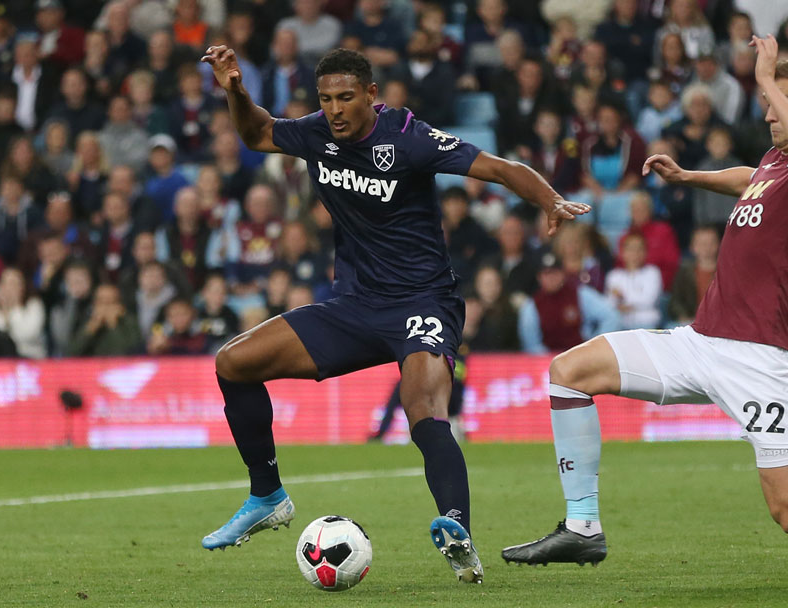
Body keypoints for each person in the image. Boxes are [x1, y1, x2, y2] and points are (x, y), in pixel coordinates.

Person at [501, 39, 788, 579]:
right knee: (568, 373)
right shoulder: (774, 161)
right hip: (700, 342)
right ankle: (582, 527)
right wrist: (691, 178)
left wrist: (763, 74)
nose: (765, 111)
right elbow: (749, 177)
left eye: (777, 99)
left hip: (764, 361)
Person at [198, 45, 590, 583]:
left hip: (422, 303)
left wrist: (548, 199)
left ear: (371, 95)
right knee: (233, 363)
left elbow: (498, 167)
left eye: (346, 98)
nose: (334, 109)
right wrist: (236, 91)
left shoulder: (408, 137)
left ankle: (457, 530)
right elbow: (257, 134)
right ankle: (267, 495)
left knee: (424, 409)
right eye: (326, 99)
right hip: (355, 307)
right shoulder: (315, 133)